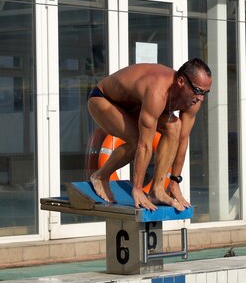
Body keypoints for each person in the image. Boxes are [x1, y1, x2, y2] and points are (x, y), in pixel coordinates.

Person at [87, 58, 212, 211]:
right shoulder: (157, 91)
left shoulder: (194, 101)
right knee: (135, 141)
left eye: (206, 92)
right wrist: (138, 188)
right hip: (103, 99)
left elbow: (182, 139)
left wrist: (174, 182)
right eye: (198, 91)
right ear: (181, 82)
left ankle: (157, 191)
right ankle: (100, 176)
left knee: (175, 127)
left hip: (136, 106)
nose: (201, 98)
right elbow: (144, 145)